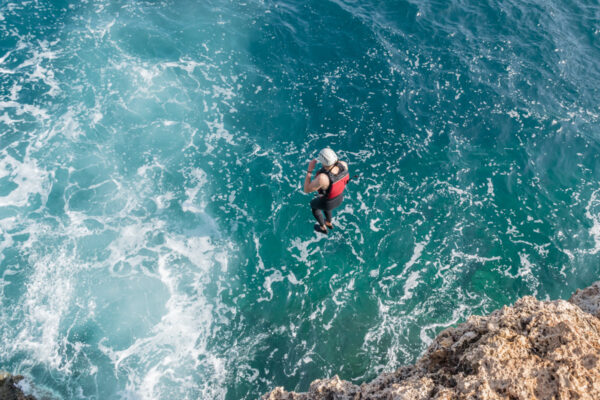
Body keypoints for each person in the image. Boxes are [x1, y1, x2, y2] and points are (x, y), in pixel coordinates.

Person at [303, 148, 349, 234]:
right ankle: (329, 222)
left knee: (314, 207)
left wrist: (309, 171)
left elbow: (306, 190)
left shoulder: (323, 178)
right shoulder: (343, 165)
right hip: (339, 198)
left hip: (328, 203)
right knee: (326, 203)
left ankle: (323, 228)